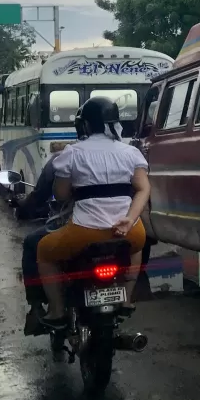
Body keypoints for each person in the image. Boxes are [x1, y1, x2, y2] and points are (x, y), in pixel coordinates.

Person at [36, 97, 150, 331]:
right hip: (129, 232)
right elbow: (143, 188)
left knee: (43, 251)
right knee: (137, 247)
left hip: (84, 234)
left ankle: (57, 310)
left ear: (85, 125)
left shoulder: (72, 153)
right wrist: (129, 219)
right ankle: (126, 298)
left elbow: (61, 195)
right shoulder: (130, 153)